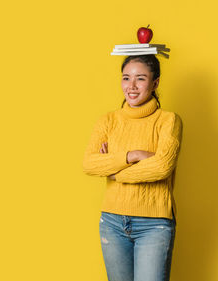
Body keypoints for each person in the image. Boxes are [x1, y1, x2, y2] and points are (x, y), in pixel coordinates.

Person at [82, 54, 183, 281]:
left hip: (154, 224)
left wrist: (113, 169)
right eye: (126, 78)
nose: (132, 86)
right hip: (111, 221)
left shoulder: (168, 121)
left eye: (141, 78)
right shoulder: (107, 121)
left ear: (155, 83)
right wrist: (133, 155)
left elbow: (162, 167)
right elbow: (88, 163)